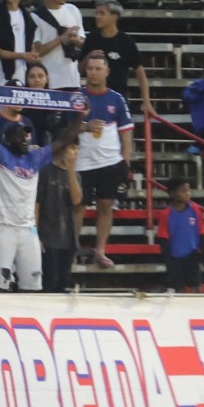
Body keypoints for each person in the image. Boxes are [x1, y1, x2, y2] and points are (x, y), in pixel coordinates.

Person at [0, 93, 52, 292]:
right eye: (21, 134)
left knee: (33, 285)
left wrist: (81, 116)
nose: (26, 138)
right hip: (3, 228)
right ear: (8, 138)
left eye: (28, 134)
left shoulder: (35, 158)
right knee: (0, 285)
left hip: (29, 229)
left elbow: (63, 143)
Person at [70, 52, 132, 269]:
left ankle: (100, 251)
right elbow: (66, 129)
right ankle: (72, 251)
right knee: (78, 207)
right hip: (82, 161)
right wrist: (85, 126)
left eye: (98, 69)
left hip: (110, 162)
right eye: (90, 69)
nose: (93, 73)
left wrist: (125, 161)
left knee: (106, 206)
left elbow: (126, 131)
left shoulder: (116, 99)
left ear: (107, 71)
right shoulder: (77, 97)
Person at [35, 136, 83, 293]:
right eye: (71, 148)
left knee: (63, 282)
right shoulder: (45, 172)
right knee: (50, 282)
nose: (74, 153)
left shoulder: (75, 175)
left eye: (76, 148)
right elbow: (37, 204)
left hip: (67, 237)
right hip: (48, 235)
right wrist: (36, 235)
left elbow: (76, 200)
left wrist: (70, 170)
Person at [158, 179, 204, 290]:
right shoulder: (166, 214)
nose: (188, 193)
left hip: (192, 256)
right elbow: (163, 239)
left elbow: (201, 232)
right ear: (173, 193)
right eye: (183, 191)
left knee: (197, 288)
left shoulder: (195, 210)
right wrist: (168, 262)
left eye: (188, 190)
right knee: (179, 290)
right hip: (175, 259)